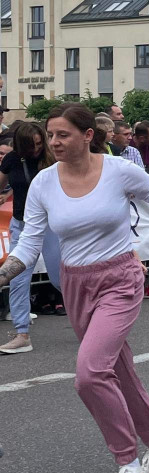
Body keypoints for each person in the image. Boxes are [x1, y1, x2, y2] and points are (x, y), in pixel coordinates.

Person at [0, 104, 149, 473]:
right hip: (75, 284)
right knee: (116, 369)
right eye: (50, 136)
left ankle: (127, 461)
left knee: (90, 373)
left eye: (62, 135)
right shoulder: (44, 183)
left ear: (88, 135)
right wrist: (4, 273)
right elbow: (30, 241)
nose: (53, 142)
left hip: (120, 279)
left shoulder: (118, 169)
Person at [0, 122, 62, 354]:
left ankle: (90, 319)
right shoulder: (13, 160)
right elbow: (2, 184)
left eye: (39, 143)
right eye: (31, 145)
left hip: (50, 226)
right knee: (17, 278)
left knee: (61, 279)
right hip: (22, 225)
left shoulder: (54, 159)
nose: (36, 148)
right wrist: (5, 194)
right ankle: (22, 334)